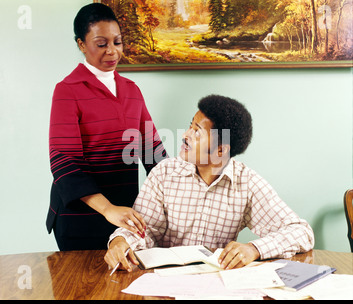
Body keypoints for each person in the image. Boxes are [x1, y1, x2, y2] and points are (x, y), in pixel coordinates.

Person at [104, 95, 314, 271]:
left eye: (197, 132)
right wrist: (120, 242)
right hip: (164, 282)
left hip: (217, 285)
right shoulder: (164, 173)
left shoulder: (247, 183)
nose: (185, 135)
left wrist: (253, 249)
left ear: (221, 150)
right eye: (190, 126)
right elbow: (144, 230)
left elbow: (301, 232)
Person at [46, 3, 167, 251]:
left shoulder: (132, 90)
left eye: (117, 42)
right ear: (81, 44)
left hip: (125, 216)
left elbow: (153, 153)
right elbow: (63, 160)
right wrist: (107, 209)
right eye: (101, 44)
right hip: (79, 217)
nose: (112, 51)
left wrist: (185, 193)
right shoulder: (67, 90)